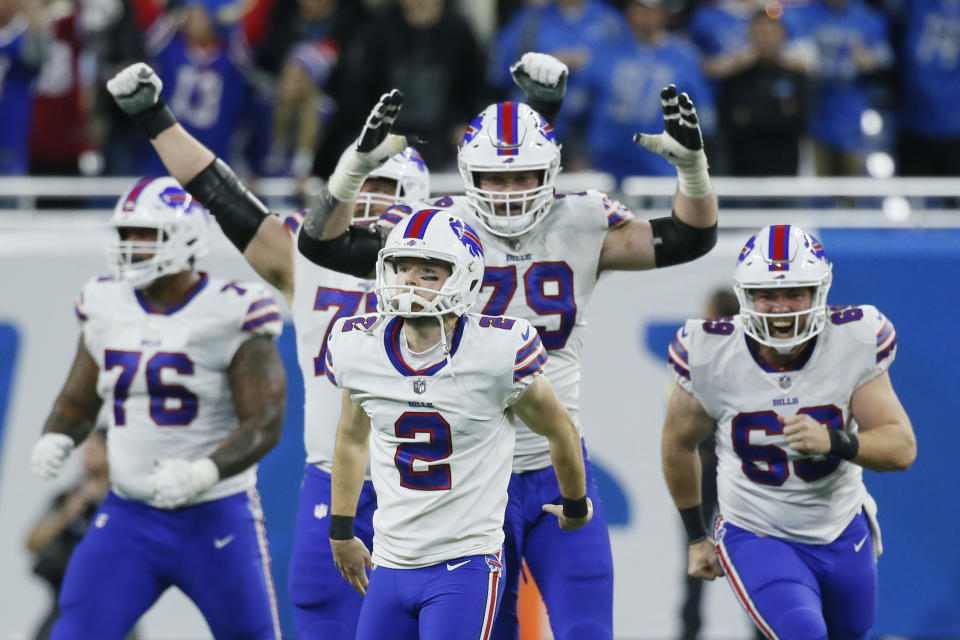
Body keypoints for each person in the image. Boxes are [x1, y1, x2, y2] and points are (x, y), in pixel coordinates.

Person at [104, 52, 563, 640]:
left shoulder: (458, 265)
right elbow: (220, 194)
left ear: (423, 202)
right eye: (361, 184)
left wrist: (539, 113)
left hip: (453, 496)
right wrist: (156, 118)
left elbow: (514, 196)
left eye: (387, 187)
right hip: (338, 477)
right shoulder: (305, 255)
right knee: (322, 614)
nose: (370, 202)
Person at [30, 176, 287, 639]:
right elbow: (78, 398)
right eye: (126, 235)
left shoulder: (230, 310)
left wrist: (202, 472)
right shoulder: (106, 303)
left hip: (214, 513)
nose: (131, 246)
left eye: (145, 234)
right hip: (130, 515)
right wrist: (58, 433)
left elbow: (264, 421)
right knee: (75, 632)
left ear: (185, 237)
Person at [325, 207, 592, 640]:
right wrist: (341, 530)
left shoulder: (496, 352)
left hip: (463, 563)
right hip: (391, 561)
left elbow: (560, 429)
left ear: (463, 278)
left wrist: (577, 505)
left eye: (428, 272)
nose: (409, 281)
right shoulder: (360, 348)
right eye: (402, 266)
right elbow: (351, 439)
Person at [661, 225, 916, 638]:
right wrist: (696, 536)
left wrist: (835, 440)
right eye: (767, 294)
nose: (781, 307)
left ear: (819, 292)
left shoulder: (854, 339)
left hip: (840, 527)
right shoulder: (709, 352)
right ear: (745, 296)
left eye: (794, 292)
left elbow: (901, 447)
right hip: (757, 531)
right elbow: (677, 445)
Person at [25, 431, 134, 640]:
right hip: (65, 603)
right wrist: (67, 514)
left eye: (96, 448)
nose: (88, 454)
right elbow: (32, 541)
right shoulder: (67, 499)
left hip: (110, 607)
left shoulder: (125, 502)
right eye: (87, 448)